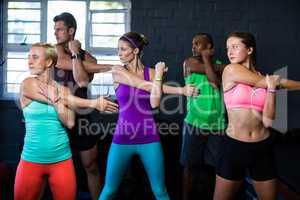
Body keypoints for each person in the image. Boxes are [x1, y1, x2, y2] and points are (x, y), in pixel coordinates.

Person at [96, 32, 198, 200]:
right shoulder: (118, 71)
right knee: (109, 190)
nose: (119, 53)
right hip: (123, 137)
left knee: (160, 190)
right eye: (118, 49)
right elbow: (147, 86)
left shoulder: (151, 73)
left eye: (123, 49)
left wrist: (159, 79)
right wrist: (177, 88)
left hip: (149, 137)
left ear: (135, 51)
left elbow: (154, 103)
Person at [14, 43, 118, 200]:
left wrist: (56, 99)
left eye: (35, 57)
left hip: (61, 161)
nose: (29, 61)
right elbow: (63, 98)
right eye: (29, 57)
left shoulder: (63, 90)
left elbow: (69, 122)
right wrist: (93, 103)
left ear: (49, 62)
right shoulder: (28, 84)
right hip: (31, 160)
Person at [214, 32, 300, 200]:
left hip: (262, 148)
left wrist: (272, 89)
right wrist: (275, 83)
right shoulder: (231, 70)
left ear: (250, 49)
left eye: (235, 47)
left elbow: (268, 120)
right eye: (227, 48)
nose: (229, 52)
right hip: (234, 148)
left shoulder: (264, 79)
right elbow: (277, 82)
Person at [52, 12, 103, 200]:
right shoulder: (54, 51)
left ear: (71, 30)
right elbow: (63, 62)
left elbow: (81, 80)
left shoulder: (89, 57)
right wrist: (107, 67)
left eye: (59, 29)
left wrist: (76, 53)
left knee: (91, 166)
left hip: (82, 117)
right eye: (55, 29)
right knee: (57, 169)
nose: (55, 33)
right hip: (58, 116)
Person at [180, 33, 226, 200]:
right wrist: (207, 58)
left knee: (215, 168)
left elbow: (214, 82)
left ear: (209, 47)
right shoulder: (189, 63)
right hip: (194, 122)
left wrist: (208, 59)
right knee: (189, 166)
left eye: (198, 44)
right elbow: (211, 73)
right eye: (193, 43)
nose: (193, 46)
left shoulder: (221, 67)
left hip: (217, 124)